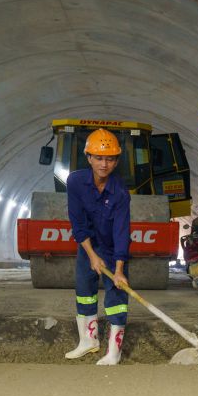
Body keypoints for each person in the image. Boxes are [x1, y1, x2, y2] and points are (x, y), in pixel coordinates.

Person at [64, 129, 131, 366]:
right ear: (88, 157)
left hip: (114, 249)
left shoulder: (120, 192)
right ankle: (88, 341)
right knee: (84, 291)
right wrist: (92, 255)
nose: (104, 164)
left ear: (116, 161)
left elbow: (122, 232)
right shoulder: (75, 182)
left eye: (110, 158)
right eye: (99, 158)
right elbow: (77, 223)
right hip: (88, 244)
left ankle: (114, 351)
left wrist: (119, 269)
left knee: (117, 296)